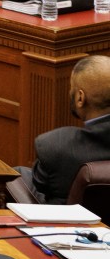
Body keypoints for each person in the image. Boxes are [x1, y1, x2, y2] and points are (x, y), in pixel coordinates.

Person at [15, 55, 110, 204]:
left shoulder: (56, 146)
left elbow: (40, 185)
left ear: (80, 98)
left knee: (15, 175)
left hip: (67, 223)